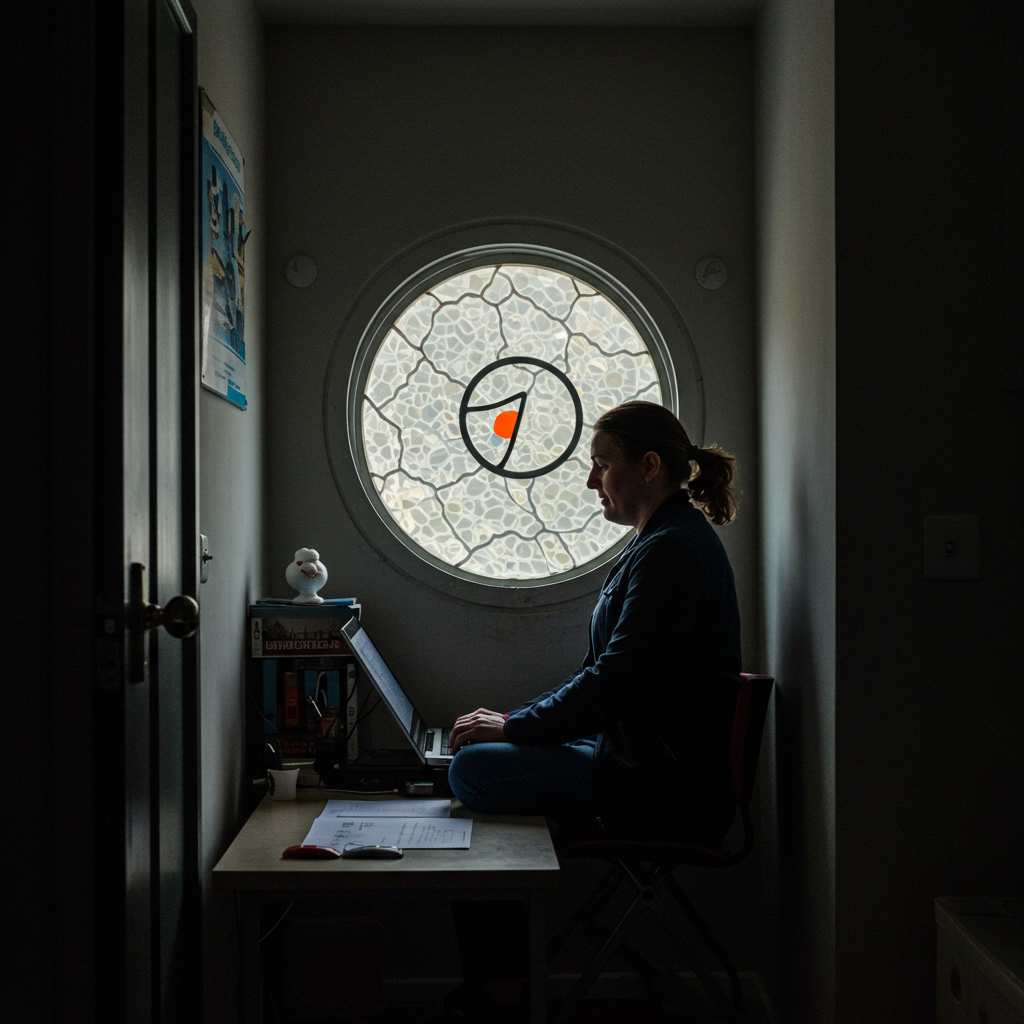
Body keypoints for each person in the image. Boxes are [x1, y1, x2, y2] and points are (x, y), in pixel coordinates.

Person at [429, 400, 742, 1023]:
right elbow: (606, 682)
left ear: (650, 465)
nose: (591, 480)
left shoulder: (672, 553)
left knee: (470, 773)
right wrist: (514, 724)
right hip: (628, 755)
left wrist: (515, 727)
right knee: (475, 760)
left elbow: (613, 685)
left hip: (659, 781)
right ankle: (504, 982)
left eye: (602, 464)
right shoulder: (658, 543)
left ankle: (503, 988)